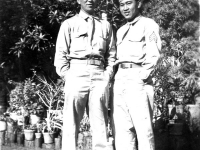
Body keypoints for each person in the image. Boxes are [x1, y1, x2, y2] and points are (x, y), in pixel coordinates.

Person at [54, 0, 116, 149]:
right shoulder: (68, 24)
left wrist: (107, 75)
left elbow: (111, 55)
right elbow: (60, 55)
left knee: (101, 123)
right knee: (71, 123)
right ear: (78, 0)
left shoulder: (105, 26)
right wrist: (68, 76)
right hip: (76, 73)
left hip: (99, 75)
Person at [112, 0, 161, 149]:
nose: (125, 8)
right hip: (120, 79)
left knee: (143, 130)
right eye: (122, 4)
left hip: (137, 79)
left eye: (128, 3)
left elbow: (154, 53)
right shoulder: (120, 31)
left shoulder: (148, 24)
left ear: (138, 3)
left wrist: (143, 75)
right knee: (122, 131)